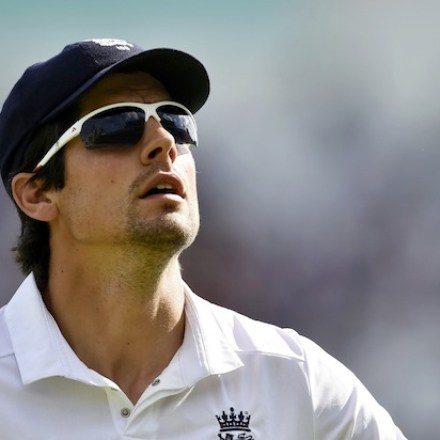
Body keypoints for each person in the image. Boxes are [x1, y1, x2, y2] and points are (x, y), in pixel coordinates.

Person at [0, 38, 406, 439]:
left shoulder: (299, 383)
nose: (164, 143)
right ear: (37, 193)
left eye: (175, 121)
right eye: (119, 124)